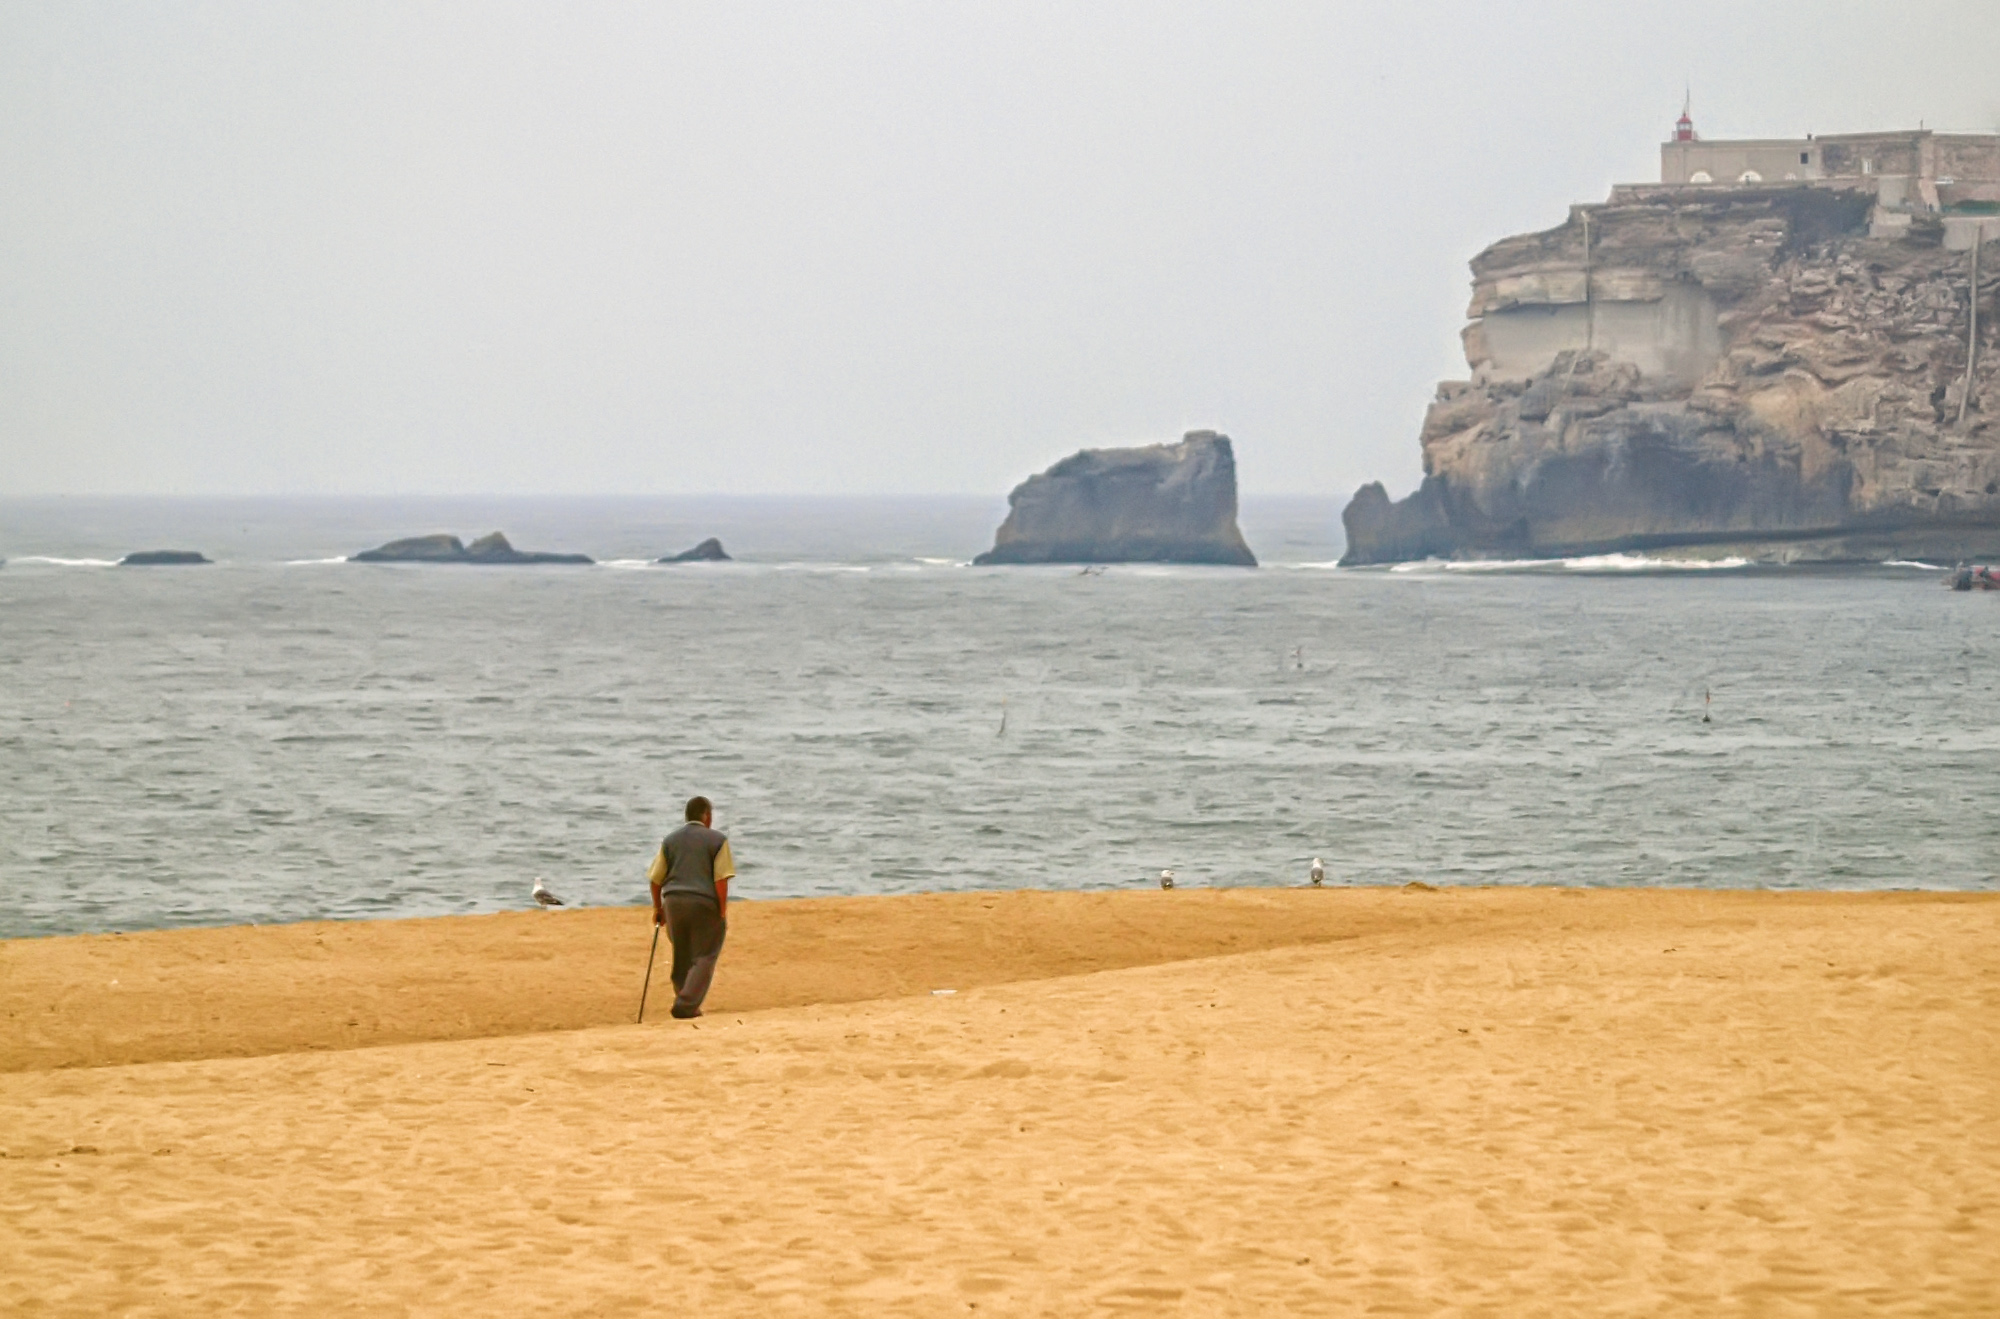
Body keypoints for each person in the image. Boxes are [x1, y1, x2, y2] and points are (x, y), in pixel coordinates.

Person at [648, 795, 736, 1019]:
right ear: (706, 816)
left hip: (674, 902)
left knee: (682, 953)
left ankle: (683, 997)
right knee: (705, 954)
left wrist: (659, 908)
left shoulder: (670, 840)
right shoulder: (717, 840)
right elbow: (721, 879)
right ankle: (686, 1004)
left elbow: (656, 879)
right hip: (703, 901)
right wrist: (722, 909)